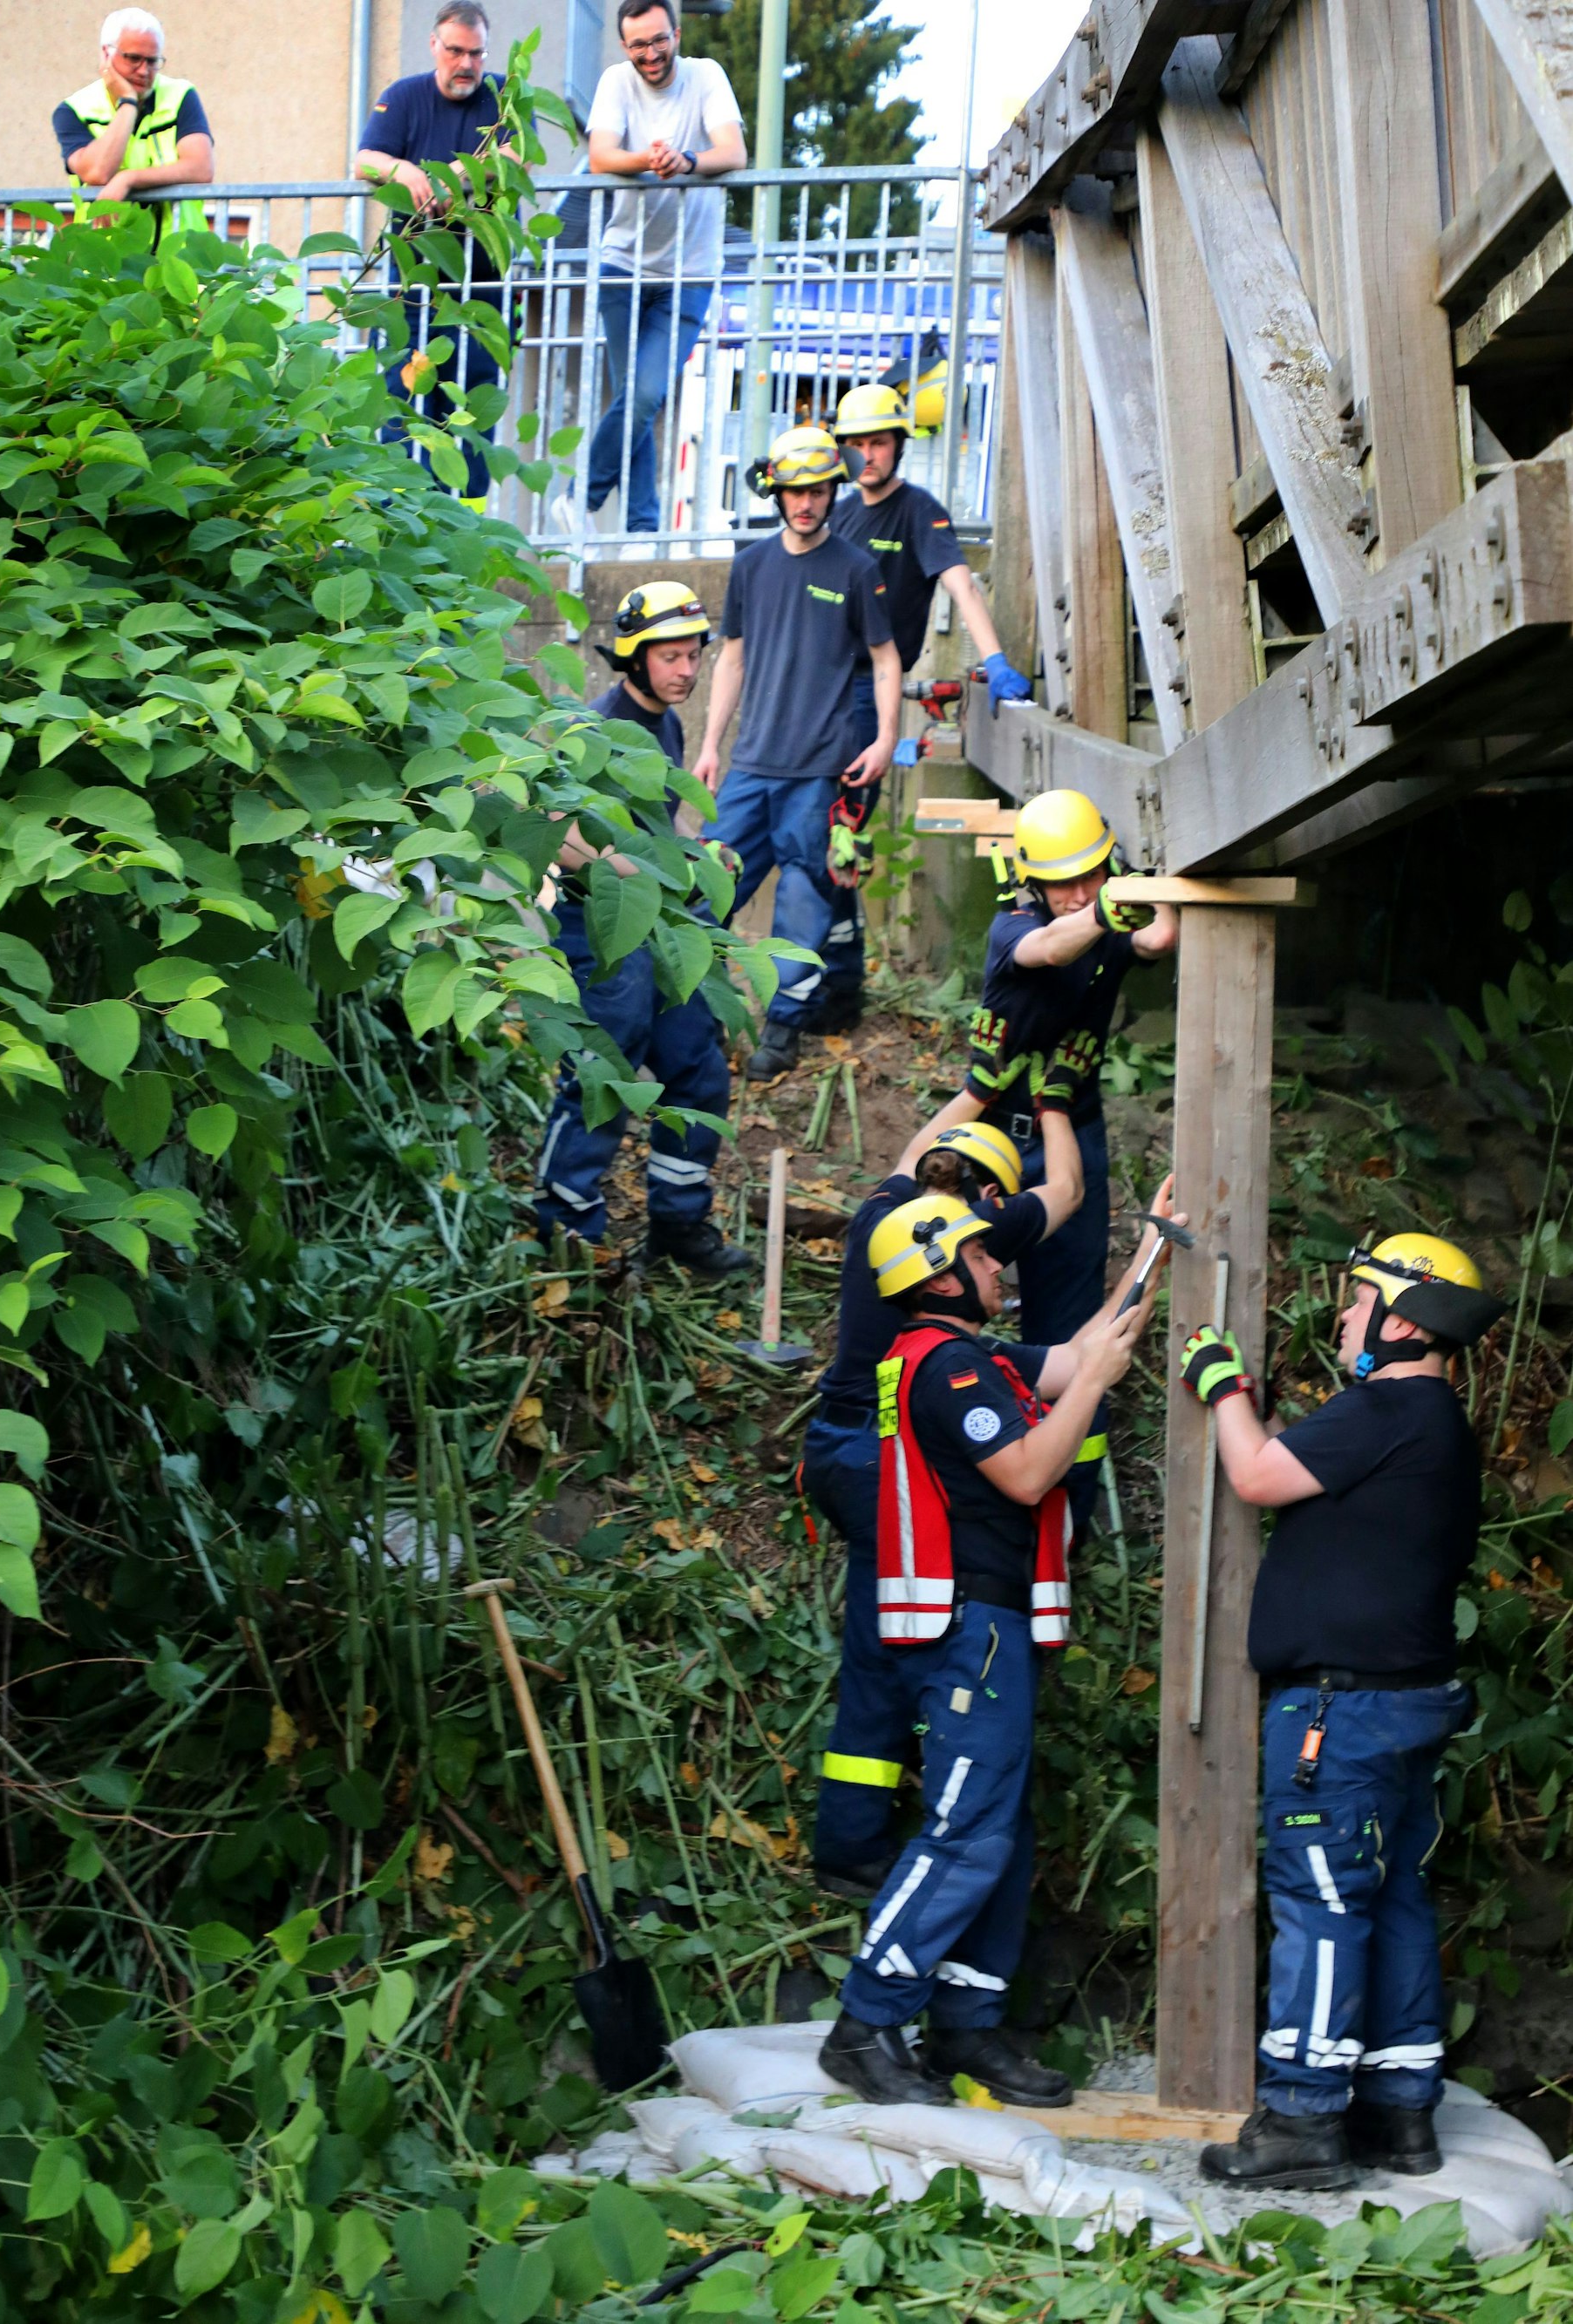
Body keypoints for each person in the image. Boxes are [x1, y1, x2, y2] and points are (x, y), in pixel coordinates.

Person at [816, 1185, 1178, 2105]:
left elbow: (1082, 1353)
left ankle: (964, 2029)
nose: (996, 1266)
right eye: (980, 1256)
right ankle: (865, 2020)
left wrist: (1150, 1250)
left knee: (998, 1835)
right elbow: (1024, 1471)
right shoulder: (947, 1367)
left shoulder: (968, 1357)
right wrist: (1092, 1384)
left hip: (991, 1626)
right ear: (938, 1274)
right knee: (966, 1831)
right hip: (970, 1630)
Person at [1184, 1233, 1504, 2192]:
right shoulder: (1430, 1416)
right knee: (1392, 1896)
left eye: (1357, 1296)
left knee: (1321, 1897)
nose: (1341, 1311)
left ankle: (1302, 2117)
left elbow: (1258, 1475)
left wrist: (1222, 1388)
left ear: (1406, 1317)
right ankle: (1398, 2112)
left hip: (1343, 1711)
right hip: (1396, 1704)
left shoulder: (1388, 1404)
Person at [806, 1080, 1087, 1898]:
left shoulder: (892, 1213)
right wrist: (1055, 1102)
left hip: (838, 1441)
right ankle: (865, 1845)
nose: (994, 1263)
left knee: (880, 1631)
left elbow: (913, 1151)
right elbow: (1065, 1189)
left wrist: (980, 1085)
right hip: (887, 1454)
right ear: (989, 1194)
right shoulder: (971, 1240)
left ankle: (852, 1836)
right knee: (895, 1638)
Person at [937, 789, 1178, 1532]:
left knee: (1068, 1305)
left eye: (1089, 875)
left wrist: (1151, 880)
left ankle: (1074, 1500)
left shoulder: (1108, 909)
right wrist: (1101, 911)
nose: (1075, 893)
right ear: (1030, 882)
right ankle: (982, 1465)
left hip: (1074, 1122)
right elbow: (1049, 947)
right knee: (960, 1294)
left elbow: (1160, 938)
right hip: (996, 1140)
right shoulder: (1015, 925)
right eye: (1060, 882)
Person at [534, 583, 752, 1278]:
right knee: (603, 1071)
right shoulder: (597, 730)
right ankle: (565, 1236)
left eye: (692, 656)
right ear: (632, 658)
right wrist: (637, 872)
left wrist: (698, 850)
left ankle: (678, 1227)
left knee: (697, 1064)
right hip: (596, 926)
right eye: (669, 656)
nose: (686, 670)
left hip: (659, 924)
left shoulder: (665, 722)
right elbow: (556, 830)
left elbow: (660, 819)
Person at [695, 425, 901, 1079]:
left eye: (815, 491)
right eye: (793, 492)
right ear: (776, 494)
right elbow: (730, 658)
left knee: (804, 900)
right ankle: (691, 1013)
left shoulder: (854, 568)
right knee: (707, 883)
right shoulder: (751, 565)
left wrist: (886, 738)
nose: (805, 503)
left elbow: (884, 657)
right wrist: (708, 746)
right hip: (751, 765)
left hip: (818, 770)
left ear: (831, 491)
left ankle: (782, 1026)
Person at [550, 0, 745, 544]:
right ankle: (640, 528)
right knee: (636, 399)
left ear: (676, 34)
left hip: (690, 271)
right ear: (624, 46)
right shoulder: (616, 82)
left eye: (659, 40)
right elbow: (601, 157)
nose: (651, 54)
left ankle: (580, 498)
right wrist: (651, 160)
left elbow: (734, 151)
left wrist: (684, 160)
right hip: (623, 267)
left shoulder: (706, 76)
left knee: (644, 394)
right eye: (639, 44)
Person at [357, 1, 510, 509]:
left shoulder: (502, 95)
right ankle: (401, 518)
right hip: (412, 289)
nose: (466, 63)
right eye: (455, 51)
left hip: (481, 293)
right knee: (402, 408)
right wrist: (403, 172)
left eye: (476, 53)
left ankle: (469, 529)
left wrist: (453, 178)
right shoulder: (404, 97)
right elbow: (365, 160)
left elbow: (515, 157)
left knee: (472, 410)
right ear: (434, 47)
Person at [832, 380, 1034, 721]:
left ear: (898, 446)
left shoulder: (919, 511)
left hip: (871, 685)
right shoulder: (840, 514)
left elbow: (963, 586)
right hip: (820, 680)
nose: (867, 455)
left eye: (878, 443)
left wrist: (995, 662)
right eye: (857, 444)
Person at [56, 9, 213, 238]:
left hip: (177, 259)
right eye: (134, 58)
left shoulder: (180, 94)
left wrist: (128, 179)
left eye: (152, 61)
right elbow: (98, 172)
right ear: (106, 55)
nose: (144, 71)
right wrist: (128, 102)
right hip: (107, 262)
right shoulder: (74, 110)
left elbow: (201, 168)